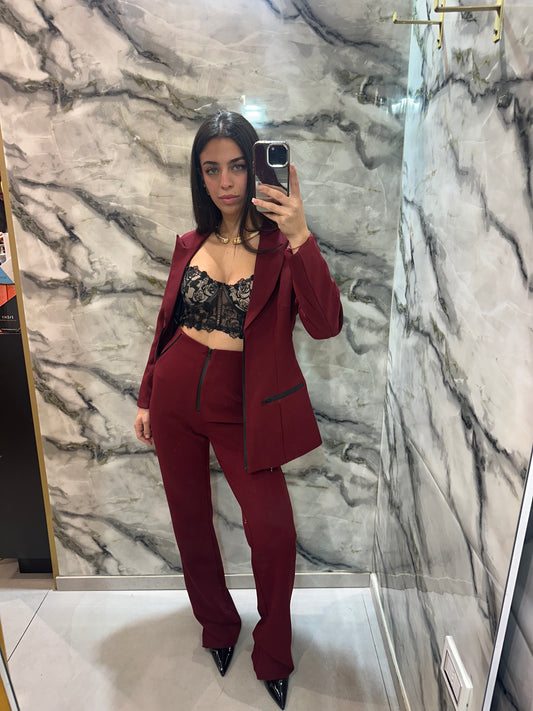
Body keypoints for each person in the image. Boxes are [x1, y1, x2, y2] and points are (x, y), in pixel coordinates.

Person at [134, 110, 342, 709]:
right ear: (199, 177)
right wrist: (147, 394)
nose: (225, 182)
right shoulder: (189, 244)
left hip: (244, 408)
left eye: (235, 167)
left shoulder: (283, 249)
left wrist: (301, 234)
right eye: (210, 170)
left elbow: (326, 325)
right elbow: (166, 324)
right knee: (190, 522)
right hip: (174, 397)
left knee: (273, 532)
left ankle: (273, 651)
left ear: (255, 168)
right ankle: (218, 626)